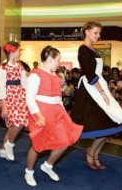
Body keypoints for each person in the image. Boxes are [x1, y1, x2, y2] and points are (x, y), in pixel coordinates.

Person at [71, 21, 122, 170]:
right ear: (86, 31)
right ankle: (92, 153)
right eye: (96, 32)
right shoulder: (83, 49)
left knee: (111, 124)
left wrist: (106, 91)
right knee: (105, 124)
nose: (98, 36)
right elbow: (90, 74)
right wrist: (103, 93)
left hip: (99, 88)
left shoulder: (93, 49)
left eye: (99, 33)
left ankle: (93, 153)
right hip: (91, 91)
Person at [24, 45, 83, 186]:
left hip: (57, 111)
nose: (59, 63)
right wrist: (39, 116)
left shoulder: (56, 77)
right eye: (58, 60)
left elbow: (58, 97)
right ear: (50, 59)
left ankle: (48, 165)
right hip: (41, 112)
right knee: (38, 145)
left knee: (65, 141)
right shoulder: (35, 74)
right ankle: (29, 171)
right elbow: (29, 98)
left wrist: (63, 112)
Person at [0, 41, 29, 161]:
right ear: (12, 51)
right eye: (19, 50)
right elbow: (0, 87)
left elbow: (24, 83)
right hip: (8, 98)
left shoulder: (19, 65)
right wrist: (4, 106)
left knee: (13, 126)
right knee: (19, 123)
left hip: (19, 96)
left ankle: (3, 150)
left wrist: (27, 97)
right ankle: (9, 144)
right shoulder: (2, 67)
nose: (20, 53)